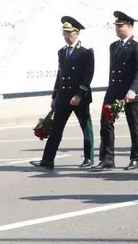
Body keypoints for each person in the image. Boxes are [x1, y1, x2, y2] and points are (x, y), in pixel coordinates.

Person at [31, 16, 95, 169]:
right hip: (64, 96)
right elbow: (60, 75)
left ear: (76, 33)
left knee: (86, 128)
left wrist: (79, 95)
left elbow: (88, 76)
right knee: (56, 129)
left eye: (69, 33)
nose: (66, 36)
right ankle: (47, 160)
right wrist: (54, 96)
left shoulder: (86, 52)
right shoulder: (62, 52)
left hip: (79, 97)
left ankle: (89, 158)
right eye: (64, 33)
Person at [92, 11, 138, 172]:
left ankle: (136, 158)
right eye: (116, 26)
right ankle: (107, 158)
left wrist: (132, 90)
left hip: (131, 92)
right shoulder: (114, 46)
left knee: (134, 124)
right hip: (114, 90)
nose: (117, 28)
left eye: (120, 26)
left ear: (129, 26)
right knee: (106, 123)